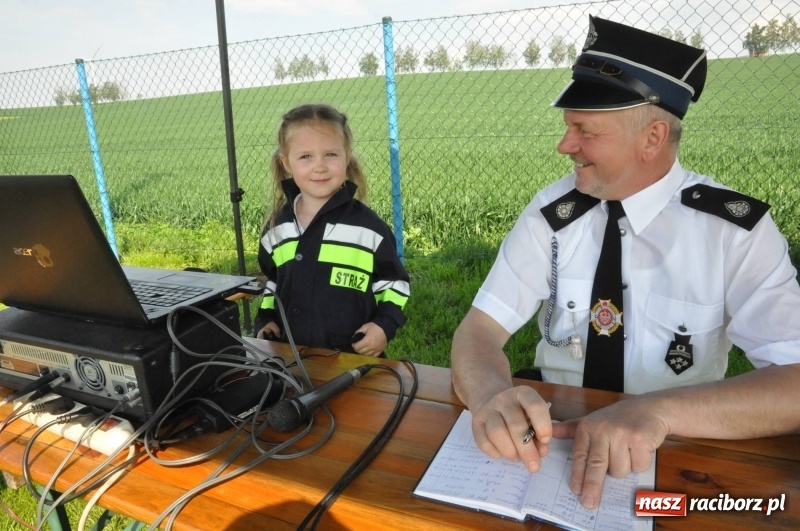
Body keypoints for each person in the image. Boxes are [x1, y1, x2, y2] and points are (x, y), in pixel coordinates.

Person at [451, 15, 800, 510]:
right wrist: (490, 395)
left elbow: (794, 380)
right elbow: (479, 330)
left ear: (652, 138)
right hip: (548, 444)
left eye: (584, 130)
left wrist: (657, 413)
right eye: (567, 127)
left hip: (674, 447)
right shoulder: (552, 212)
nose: (565, 145)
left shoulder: (731, 231)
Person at [254, 103, 410, 357]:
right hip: (289, 360)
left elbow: (394, 283)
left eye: (330, 154)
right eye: (306, 157)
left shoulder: (368, 229)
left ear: (347, 156)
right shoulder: (276, 231)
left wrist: (384, 326)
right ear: (286, 163)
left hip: (353, 363)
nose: (320, 166)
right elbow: (273, 282)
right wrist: (266, 318)